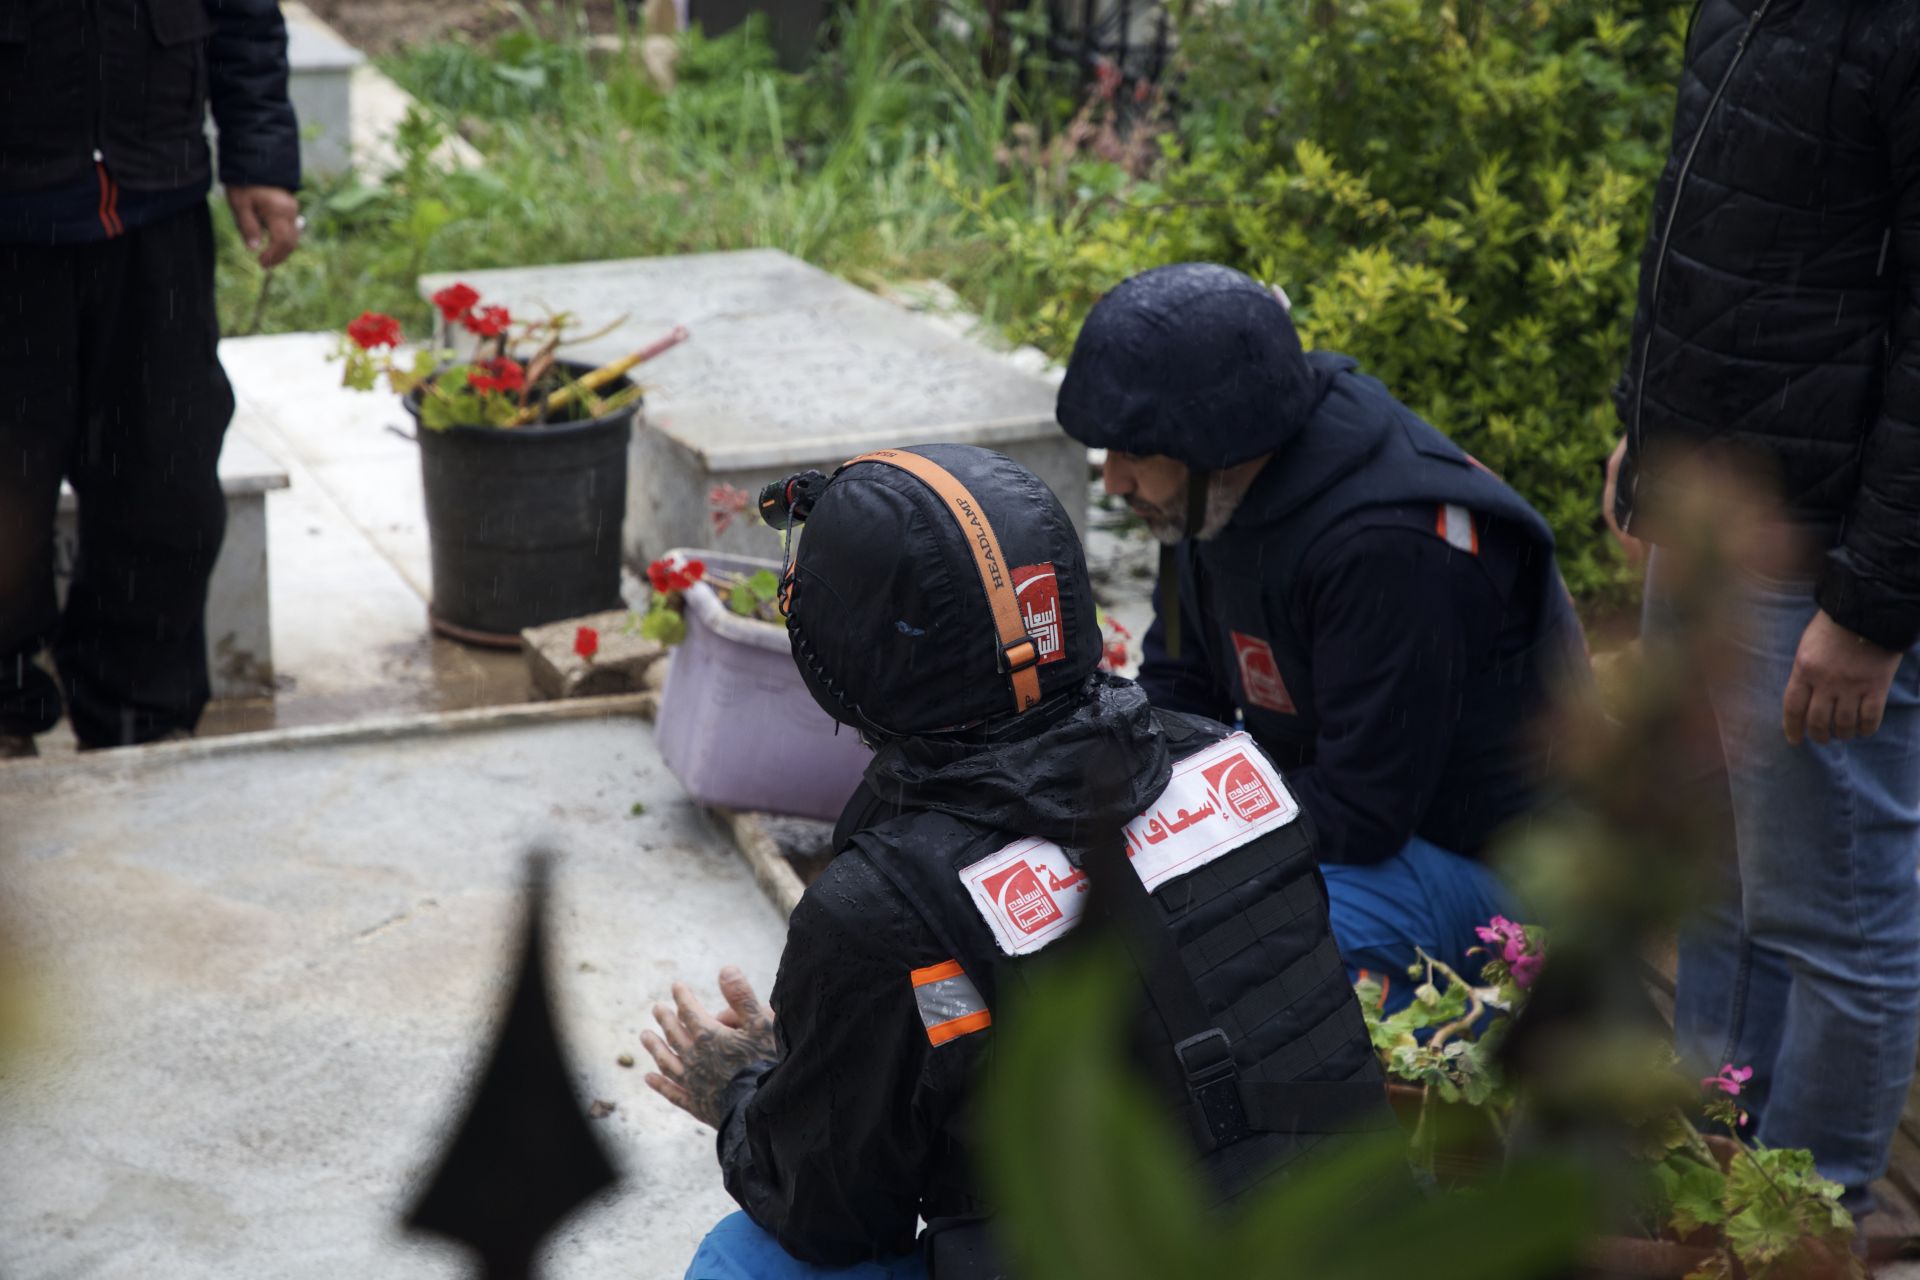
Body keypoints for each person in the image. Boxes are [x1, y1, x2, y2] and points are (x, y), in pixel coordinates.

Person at [642, 444, 1394, 1278]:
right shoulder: (1230, 762)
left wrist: (747, 1089)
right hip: (1365, 1236)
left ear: (841, 656)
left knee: (745, 1261)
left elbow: (832, 1215)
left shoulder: (883, 906)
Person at [1054, 263, 1587, 1008]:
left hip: (1493, 873)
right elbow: (1180, 690)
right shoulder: (1208, 494)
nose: (1113, 481)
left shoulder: (1386, 546)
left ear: (1219, 445)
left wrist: (1181, 842)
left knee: (1218, 954)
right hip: (1365, 826)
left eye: (1134, 453)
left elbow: (1364, 814)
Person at [1604, 0, 1920, 1219]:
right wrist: (1645, 422)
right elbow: (1697, 218)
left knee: (1832, 910)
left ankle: (1808, 1211)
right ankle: (1705, 1169)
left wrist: (1876, 605)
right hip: (1708, 517)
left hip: (1821, 552)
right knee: (1714, 881)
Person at [0, 0, 303, 757]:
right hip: (11, 227)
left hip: (155, 209)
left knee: (164, 483)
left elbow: (243, 15)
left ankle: (141, 716)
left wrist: (259, 156)